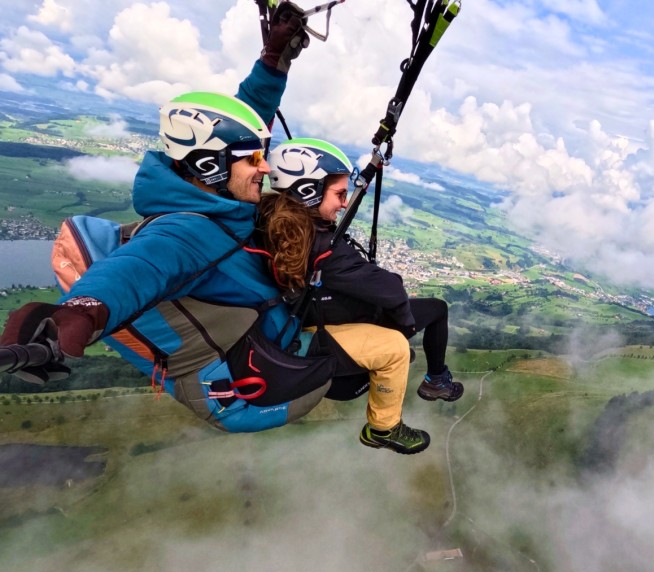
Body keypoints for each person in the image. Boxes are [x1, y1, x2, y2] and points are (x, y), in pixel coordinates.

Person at [0, 5, 426, 452]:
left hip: (272, 319)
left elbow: (246, 124)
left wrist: (272, 60)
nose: (266, 168)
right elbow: (138, 267)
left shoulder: (219, 196)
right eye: (255, 160)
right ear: (210, 165)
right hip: (260, 373)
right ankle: (385, 427)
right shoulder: (188, 231)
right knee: (392, 346)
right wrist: (83, 311)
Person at [257, 138, 464, 450]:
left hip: (323, 317)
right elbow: (391, 289)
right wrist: (404, 324)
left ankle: (436, 380)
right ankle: (384, 428)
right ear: (308, 193)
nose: (344, 203)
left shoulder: (275, 224)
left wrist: (370, 169)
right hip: (325, 342)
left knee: (435, 308)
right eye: (339, 194)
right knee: (399, 347)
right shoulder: (324, 250)